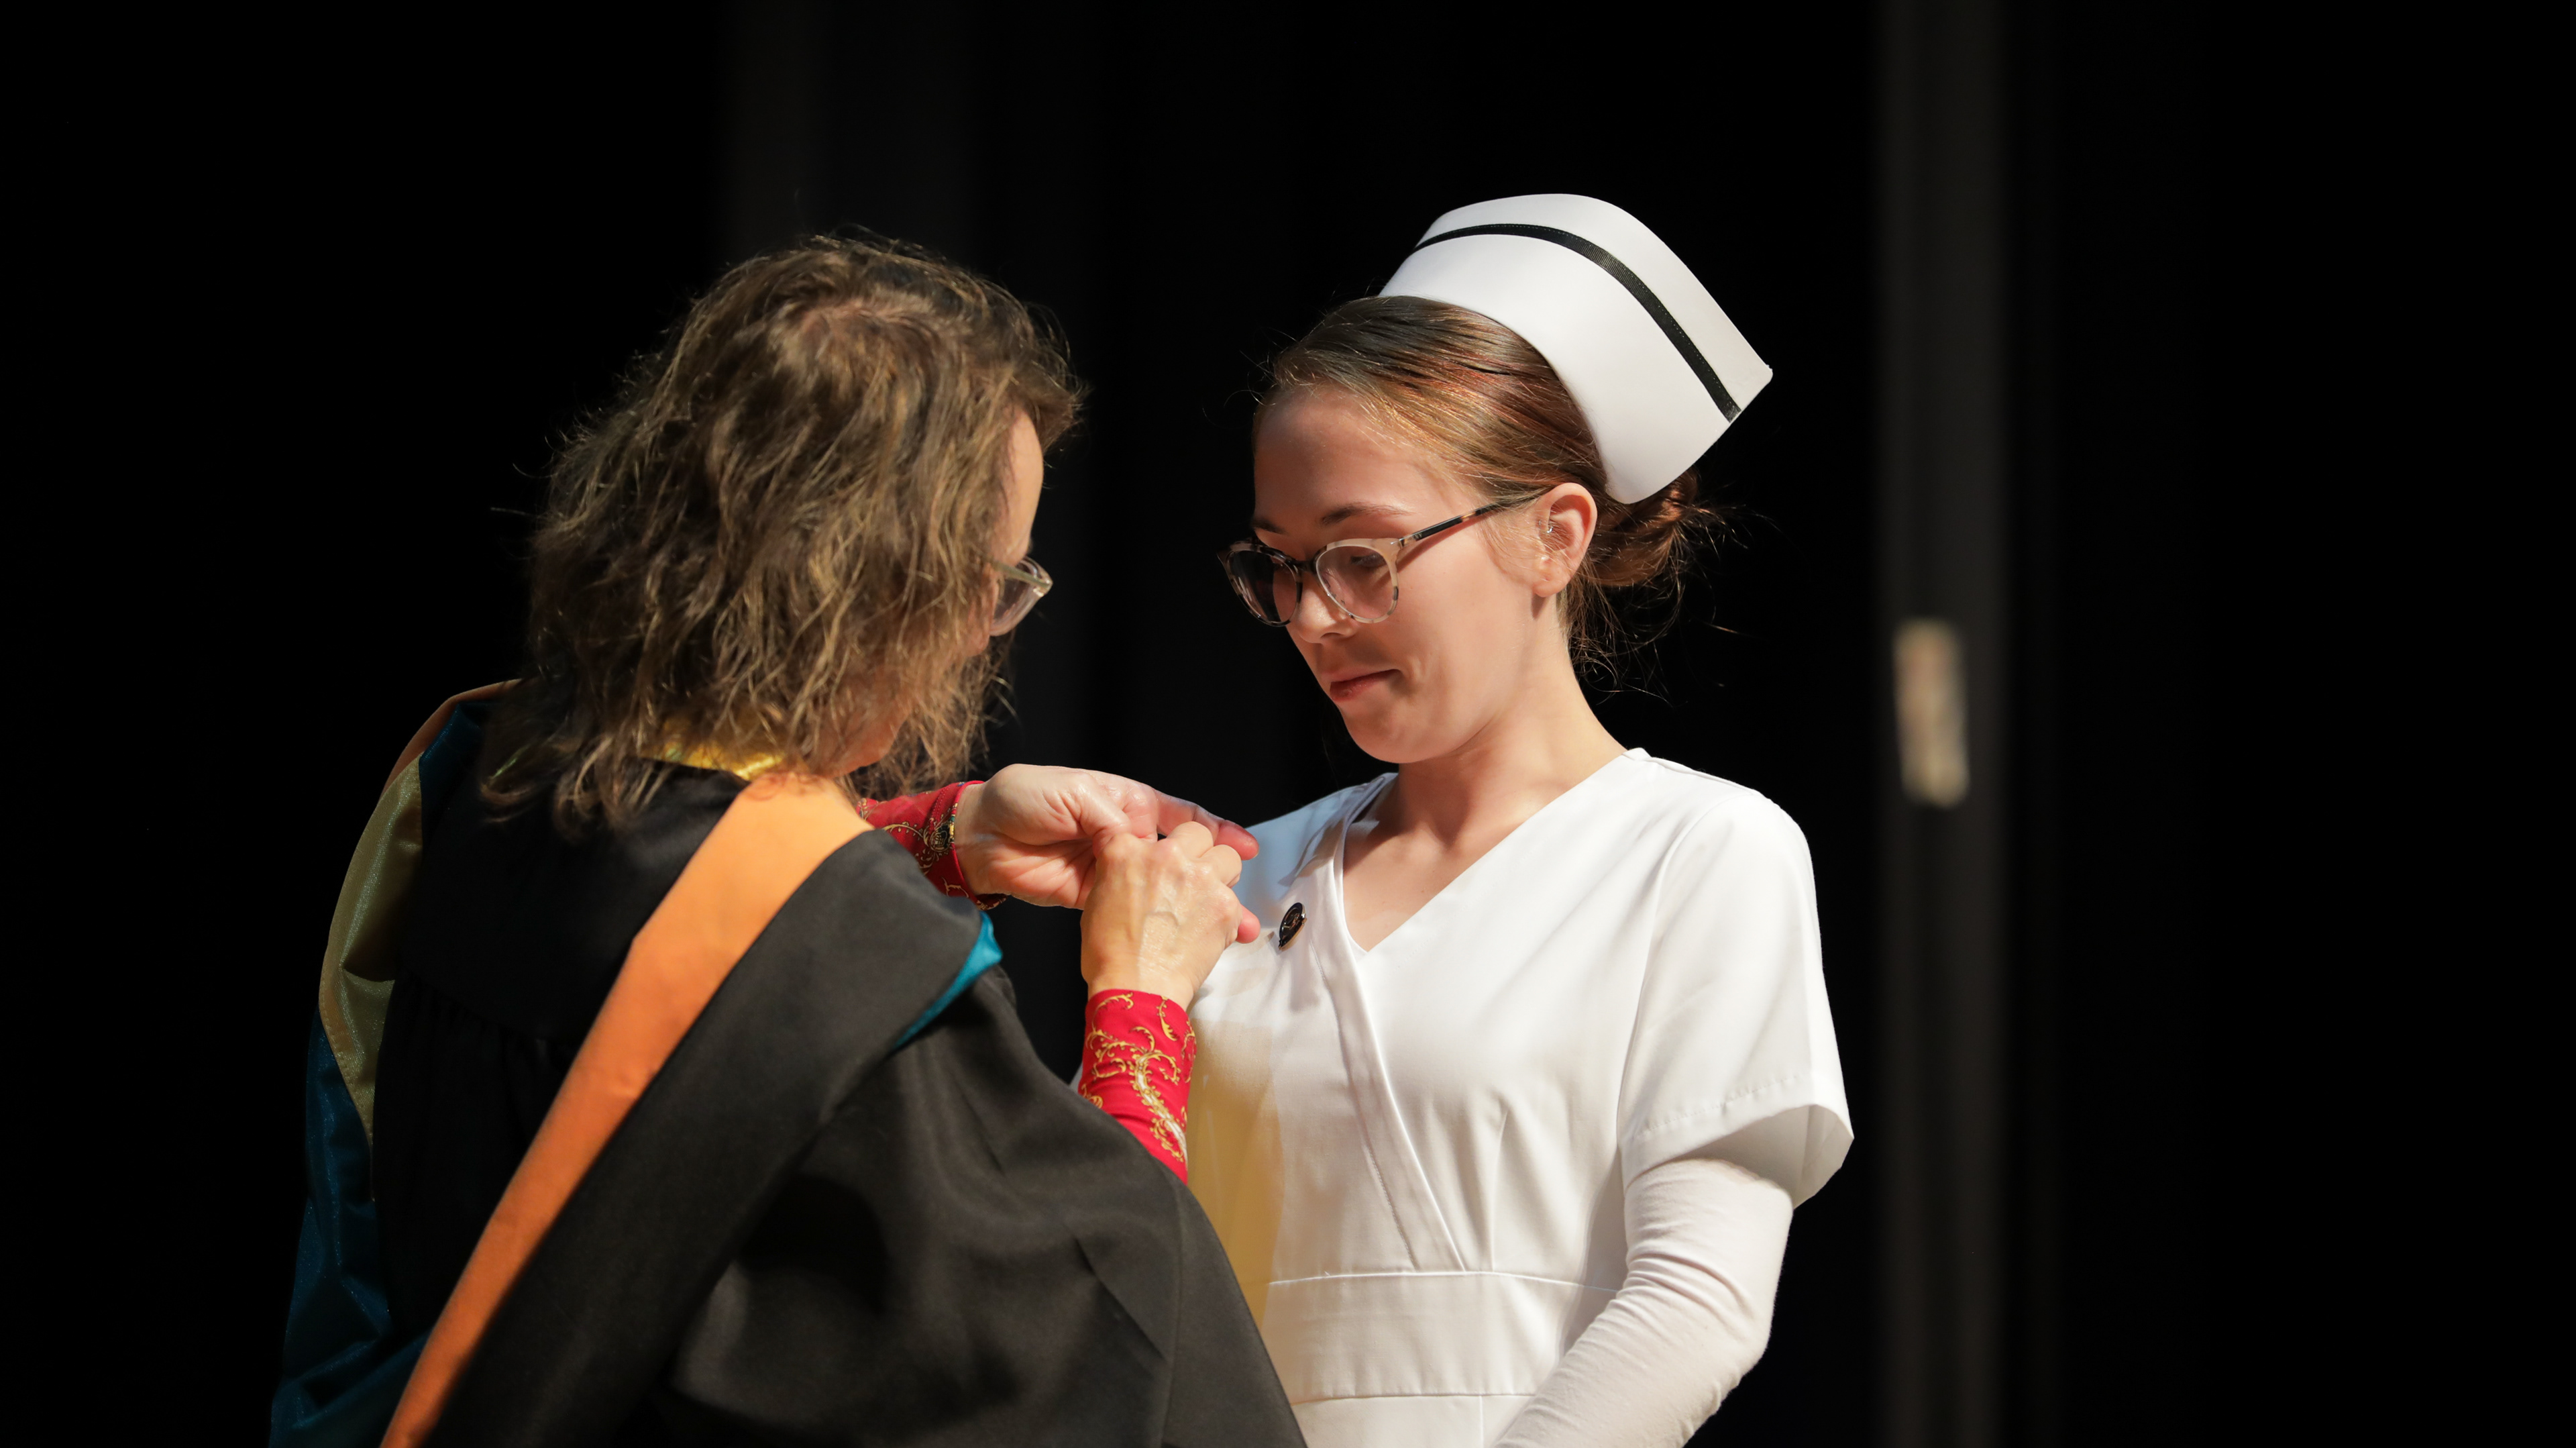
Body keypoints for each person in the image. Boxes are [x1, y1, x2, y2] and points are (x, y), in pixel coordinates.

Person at [270, 238, 1301, 1447]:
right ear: (879, 585)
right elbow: (1085, 1346)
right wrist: (1142, 1000)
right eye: (993, 582)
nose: (986, 633)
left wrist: (940, 833)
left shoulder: (491, 775)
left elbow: (685, 908)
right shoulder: (864, 969)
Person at [1185, 195, 1853, 1447]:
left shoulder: (1698, 854)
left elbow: (1698, 1300)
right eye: (1282, 563)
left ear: (1554, 535)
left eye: (1363, 555)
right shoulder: (1238, 873)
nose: (1314, 618)